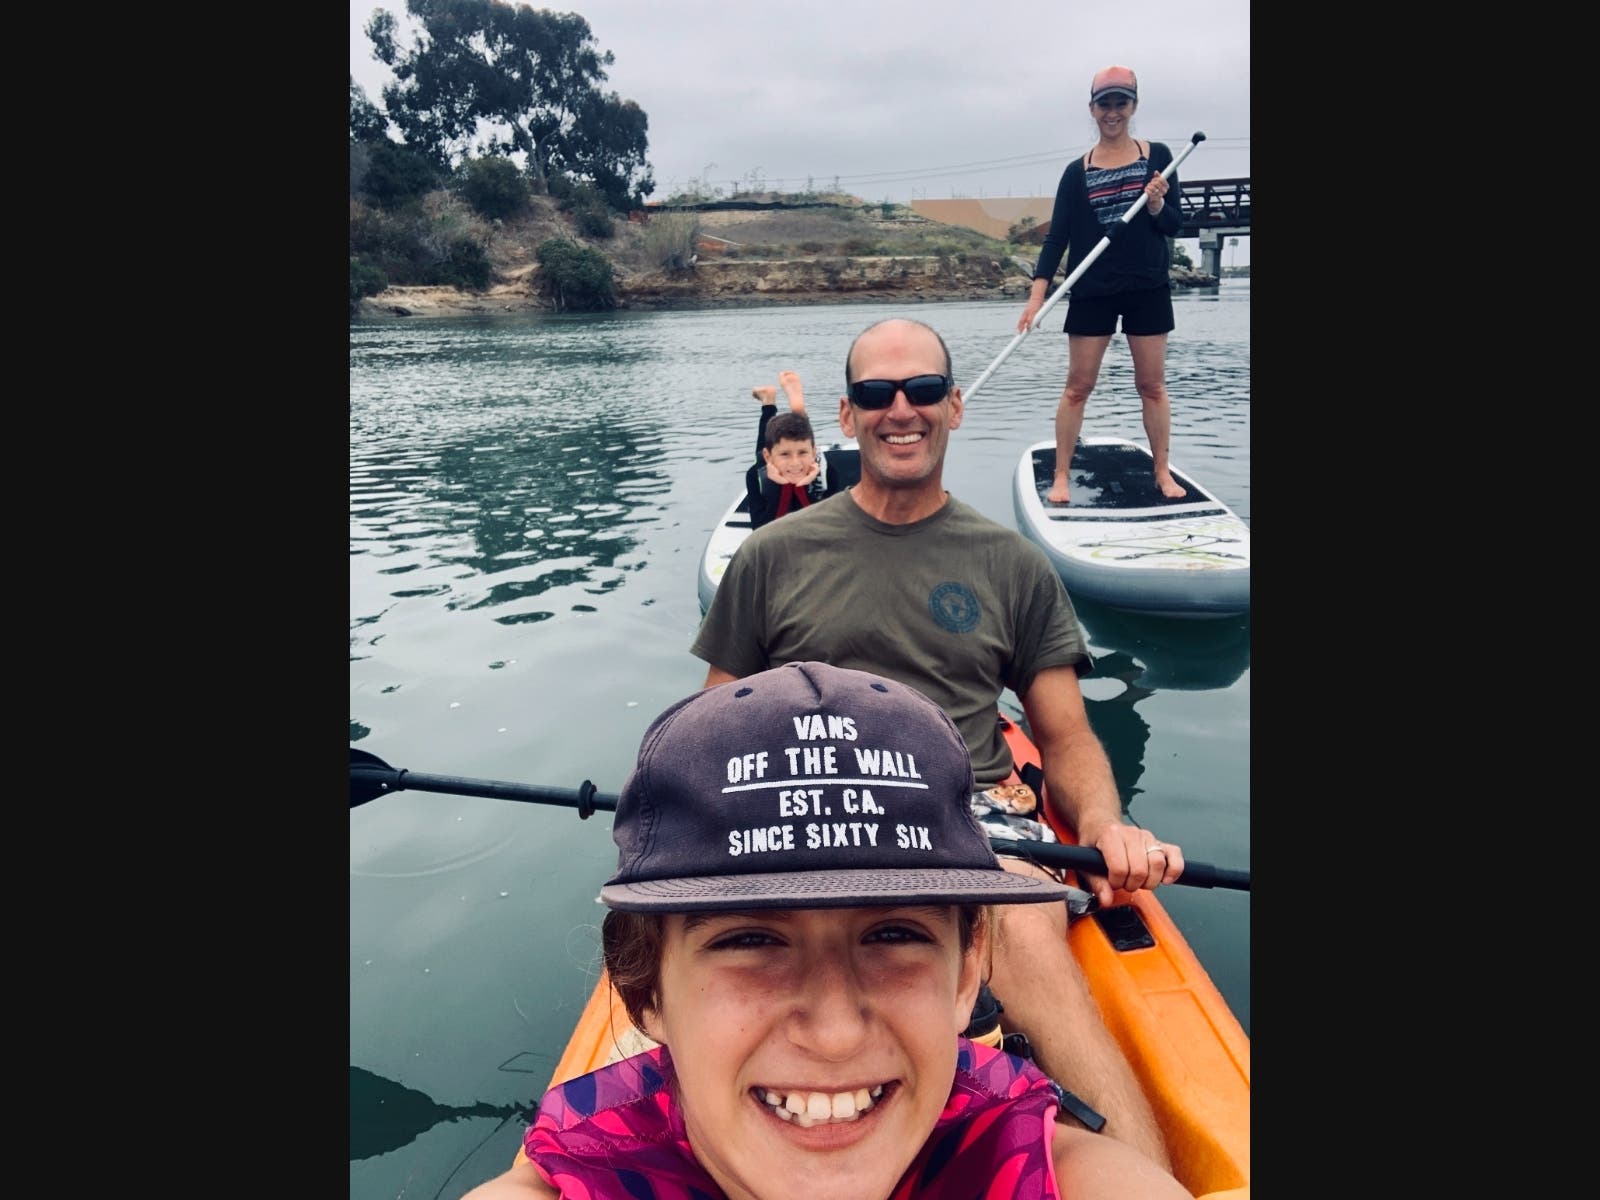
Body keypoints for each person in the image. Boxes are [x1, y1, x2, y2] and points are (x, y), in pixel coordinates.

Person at [689, 316, 1186, 1170]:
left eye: (922, 391)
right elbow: (712, 726)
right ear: (846, 416)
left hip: (972, 816)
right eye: (878, 395)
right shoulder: (771, 555)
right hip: (814, 810)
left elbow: (1064, 736)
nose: (901, 410)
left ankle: (1144, 1175)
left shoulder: (1012, 564)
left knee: (1023, 926)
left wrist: (1105, 825)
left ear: (954, 406)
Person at [460, 661, 1191, 1200]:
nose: (836, 1033)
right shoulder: (574, 1183)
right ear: (646, 991)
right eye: (749, 940)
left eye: (894, 935)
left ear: (969, 972)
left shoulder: (1059, 1174)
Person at [1017, 64, 1188, 506]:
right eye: (1104, 103)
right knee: (1078, 386)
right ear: (1092, 109)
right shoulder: (1076, 172)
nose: (1113, 111)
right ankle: (1060, 476)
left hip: (1147, 286)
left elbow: (1175, 224)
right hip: (1092, 286)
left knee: (1151, 385)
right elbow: (1058, 238)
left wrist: (1156, 204)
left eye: (1121, 102)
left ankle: (1162, 472)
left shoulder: (1160, 156)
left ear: (1133, 106)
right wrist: (1037, 298)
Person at [747, 370, 828, 529]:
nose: (795, 462)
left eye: (803, 453)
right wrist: (784, 488)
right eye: (786, 455)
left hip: (797, 457)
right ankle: (770, 401)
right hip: (769, 465)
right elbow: (760, 529)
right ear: (768, 457)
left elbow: (824, 526)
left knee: (795, 440)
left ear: (814, 452)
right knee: (771, 443)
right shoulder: (754, 475)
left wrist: (799, 487)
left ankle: (774, 403)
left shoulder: (826, 472)